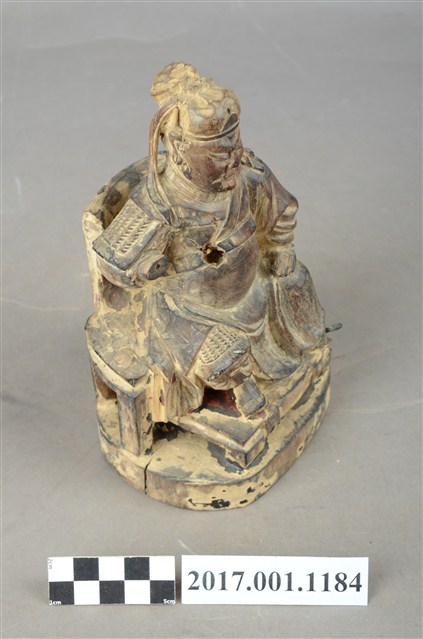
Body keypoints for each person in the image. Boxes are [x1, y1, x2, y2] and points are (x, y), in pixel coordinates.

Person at [84, 62, 328, 481]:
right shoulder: (159, 203)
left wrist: (281, 251)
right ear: (179, 150)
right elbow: (113, 262)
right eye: (217, 154)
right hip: (188, 312)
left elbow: (283, 210)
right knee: (221, 355)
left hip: (251, 291)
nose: (233, 160)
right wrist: (147, 268)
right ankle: (236, 394)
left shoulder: (247, 175)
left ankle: (286, 361)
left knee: (298, 285)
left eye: (235, 146)